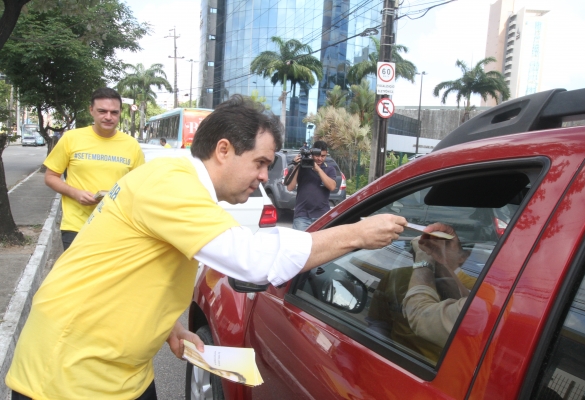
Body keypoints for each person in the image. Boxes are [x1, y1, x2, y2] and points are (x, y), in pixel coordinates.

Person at [6, 95, 407, 400]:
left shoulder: (179, 184)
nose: (265, 178)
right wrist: (355, 234)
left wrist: (170, 326)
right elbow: (253, 261)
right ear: (224, 150)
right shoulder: (170, 183)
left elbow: (135, 268)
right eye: (260, 163)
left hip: (121, 369)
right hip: (69, 373)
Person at [43, 87, 145, 250]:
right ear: (91, 110)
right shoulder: (71, 138)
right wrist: (75, 193)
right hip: (76, 226)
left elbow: (139, 186)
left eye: (114, 112)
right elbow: (50, 177)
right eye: (102, 111)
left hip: (116, 226)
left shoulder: (131, 145)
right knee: (76, 275)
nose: (108, 117)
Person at [402, 222, 472, 348]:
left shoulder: (484, 292)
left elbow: (419, 315)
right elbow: (470, 302)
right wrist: (448, 262)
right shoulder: (496, 290)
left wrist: (423, 259)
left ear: (465, 256)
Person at [286, 140, 337, 231]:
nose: (320, 159)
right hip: (302, 216)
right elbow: (290, 187)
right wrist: (296, 166)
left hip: (321, 215)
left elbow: (332, 187)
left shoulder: (329, 169)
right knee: (301, 244)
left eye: (323, 156)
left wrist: (318, 169)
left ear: (326, 154)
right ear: (312, 153)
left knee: (321, 244)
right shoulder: (303, 167)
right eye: (317, 155)